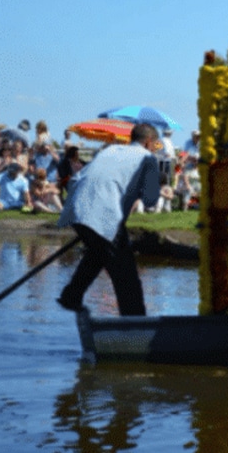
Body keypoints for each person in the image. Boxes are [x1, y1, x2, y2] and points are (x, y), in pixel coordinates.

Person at [56, 123, 162, 315]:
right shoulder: (148, 158)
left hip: (76, 208)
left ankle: (71, 296)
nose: (156, 149)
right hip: (103, 213)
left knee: (98, 253)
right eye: (156, 145)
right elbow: (150, 201)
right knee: (126, 274)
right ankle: (135, 324)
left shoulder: (111, 149)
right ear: (148, 142)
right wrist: (156, 181)